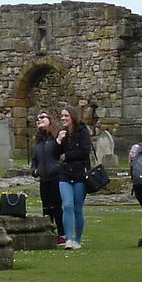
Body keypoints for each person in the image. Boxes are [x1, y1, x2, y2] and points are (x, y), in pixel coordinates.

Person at [54, 104, 93, 249]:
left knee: (77, 208)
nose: (63, 118)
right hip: (64, 174)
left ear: (73, 117)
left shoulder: (82, 132)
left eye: (66, 116)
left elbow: (84, 151)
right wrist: (58, 141)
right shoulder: (61, 133)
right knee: (67, 205)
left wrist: (67, 156)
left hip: (79, 174)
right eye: (62, 116)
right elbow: (55, 154)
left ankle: (78, 239)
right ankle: (68, 239)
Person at [31, 110, 64, 234]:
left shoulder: (56, 137)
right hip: (43, 178)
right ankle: (48, 233)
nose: (39, 119)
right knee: (46, 208)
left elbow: (60, 153)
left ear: (50, 119)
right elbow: (35, 159)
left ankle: (62, 233)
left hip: (56, 177)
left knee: (57, 207)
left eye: (43, 117)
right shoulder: (39, 141)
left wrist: (57, 167)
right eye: (38, 118)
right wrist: (34, 171)